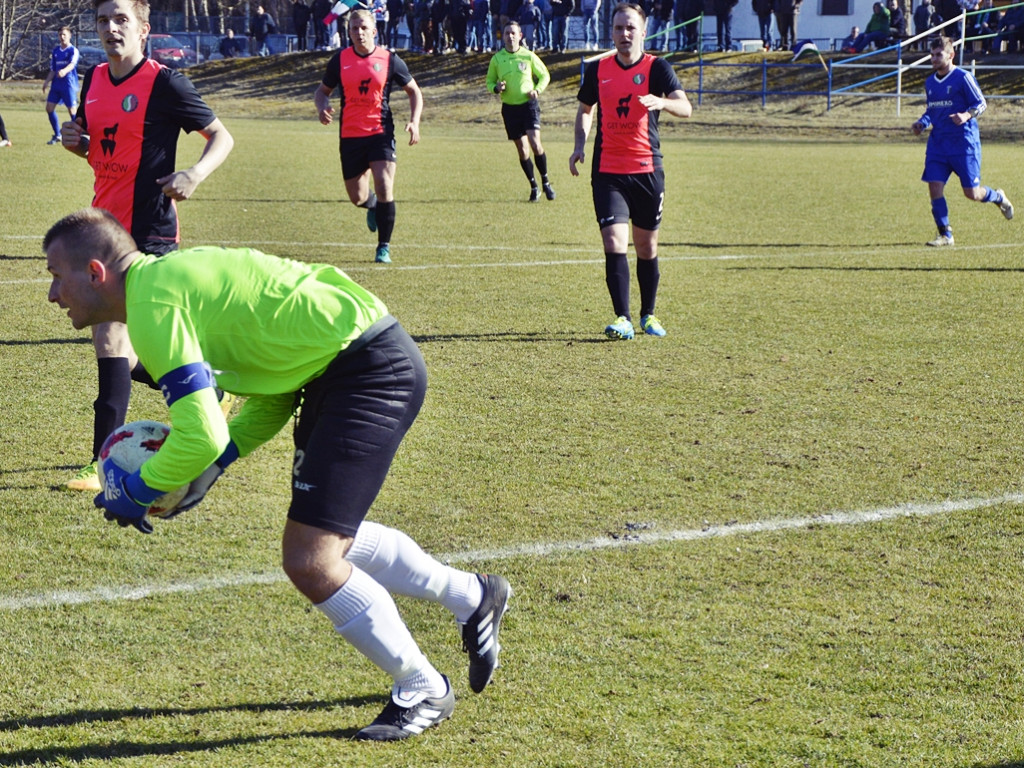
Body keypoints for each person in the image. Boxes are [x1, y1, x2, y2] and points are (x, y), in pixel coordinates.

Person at [44, 206, 513, 742]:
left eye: (57, 277)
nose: (53, 295)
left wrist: (137, 489)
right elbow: (272, 393)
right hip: (341, 368)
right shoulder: (162, 285)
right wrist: (214, 468)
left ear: (96, 273)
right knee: (329, 538)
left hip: (366, 370)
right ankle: (472, 596)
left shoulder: (153, 304)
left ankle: (423, 685)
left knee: (311, 560)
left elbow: (201, 433)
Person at [59, 0, 234, 492]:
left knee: (112, 338)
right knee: (129, 349)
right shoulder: (92, 80)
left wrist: (194, 174)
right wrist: (78, 142)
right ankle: (208, 386)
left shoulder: (166, 83)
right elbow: (97, 148)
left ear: (143, 29)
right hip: (104, 229)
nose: (111, 29)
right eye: (103, 20)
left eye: (121, 20)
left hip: (151, 232)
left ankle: (100, 462)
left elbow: (221, 137)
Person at [569, 2, 691, 340]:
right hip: (608, 171)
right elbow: (584, 109)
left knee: (646, 247)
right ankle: (622, 318)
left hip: (647, 170)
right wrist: (579, 144)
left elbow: (686, 107)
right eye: (619, 28)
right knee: (613, 241)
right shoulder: (599, 69)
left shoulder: (657, 68)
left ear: (643, 30)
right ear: (611, 31)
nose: (624, 34)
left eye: (631, 28)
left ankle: (648, 315)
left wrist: (662, 101)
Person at [314, 9, 423, 264]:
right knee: (358, 197)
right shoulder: (340, 60)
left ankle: (383, 247)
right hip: (350, 136)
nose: (359, 32)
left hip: (380, 133)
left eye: (363, 28)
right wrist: (322, 107)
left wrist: (414, 122)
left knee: (385, 186)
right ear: (348, 32)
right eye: (354, 29)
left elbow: (414, 91)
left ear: (374, 31)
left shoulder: (390, 60)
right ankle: (372, 206)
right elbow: (322, 91)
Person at [911, 35, 1013, 247]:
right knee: (934, 188)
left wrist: (966, 115)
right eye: (932, 55)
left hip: (963, 144)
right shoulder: (930, 82)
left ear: (951, 55)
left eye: (939, 55)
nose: (934, 59)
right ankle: (945, 234)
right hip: (938, 145)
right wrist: (922, 122)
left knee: (972, 194)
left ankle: (998, 197)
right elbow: (932, 109)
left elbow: (981, 103)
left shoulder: (963, 77)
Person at [487, 20, 555, 202]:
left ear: (520, 36)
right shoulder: (497, 59)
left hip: (528, 105)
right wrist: (496, 87)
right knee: (523, 151)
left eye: (513, 33)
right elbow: (489, 82)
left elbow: (544, 75)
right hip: (510, 108)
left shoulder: (528, 56)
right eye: (507, 33)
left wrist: (537, 90)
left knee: (535, 143)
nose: (510, 36)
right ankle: (534, 186)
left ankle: (546, 181)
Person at [43, 26, 80, 145]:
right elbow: (53, 69)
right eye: (60, 34)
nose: (62, 37)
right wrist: (47, 81)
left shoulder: (73, 50)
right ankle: (57, 135)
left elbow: (72, 64)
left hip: (68, 84)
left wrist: (64, 71)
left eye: (64, 34)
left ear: (69, 36)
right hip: (56, 85)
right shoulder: (56, 51)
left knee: (73, 111)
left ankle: (77, 137)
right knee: (49, 108)